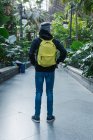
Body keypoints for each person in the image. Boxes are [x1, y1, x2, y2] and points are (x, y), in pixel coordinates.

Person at [29, 22, 67, 123]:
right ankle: (49, 117)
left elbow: (30, 53)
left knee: (38, 92)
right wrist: (57, 62)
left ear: (41, 30)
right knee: (49, 92)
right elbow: (64, 52)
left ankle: (36, 116)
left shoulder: (37, 41)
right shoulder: (54, 41)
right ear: (49, 30)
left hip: (39, 70)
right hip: (51, 70)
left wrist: (34, 64)